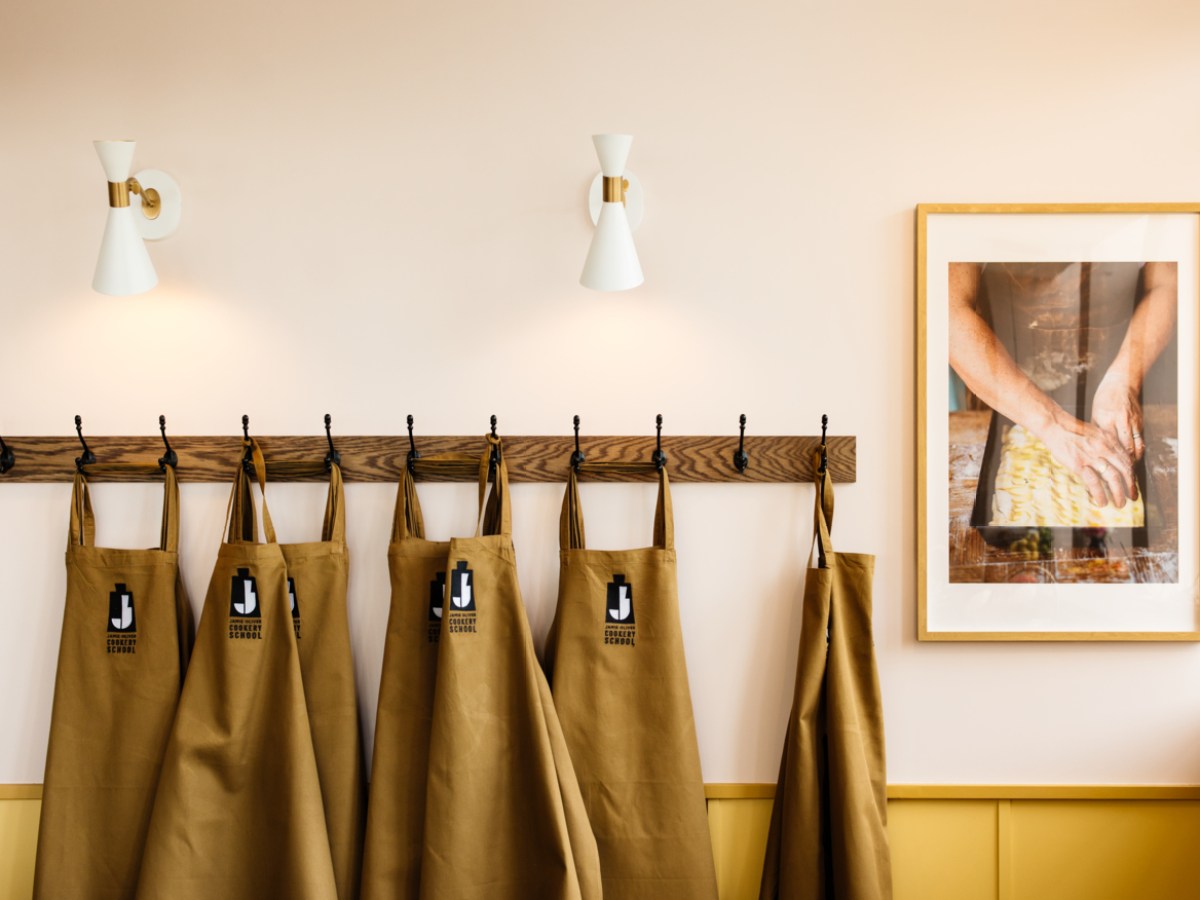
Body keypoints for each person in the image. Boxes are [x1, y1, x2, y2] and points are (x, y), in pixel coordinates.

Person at [949, 261, 1176, 509]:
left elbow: (1168, 282)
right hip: (1002, 390)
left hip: (1116, 374)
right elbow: (948, 311)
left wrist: (1124, 380)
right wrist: (1051, 423)